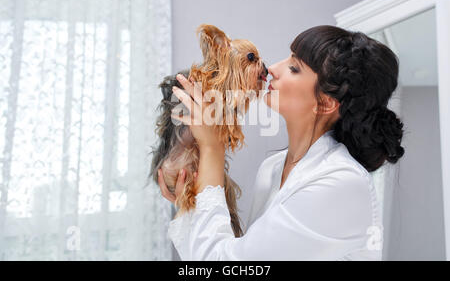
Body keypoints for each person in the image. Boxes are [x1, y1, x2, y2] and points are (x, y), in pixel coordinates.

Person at [158, 25, 405, 260]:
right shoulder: (272, 169)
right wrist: (190, 207)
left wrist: (213, 147)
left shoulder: (340, 183)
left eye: (294, 68)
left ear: (326, 102)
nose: (273, 68)